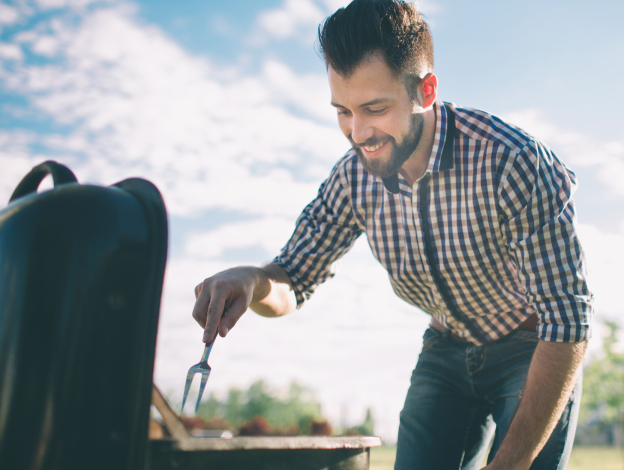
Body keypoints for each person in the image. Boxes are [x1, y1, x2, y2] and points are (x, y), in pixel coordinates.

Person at [191, 0, 593, 468]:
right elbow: (294, 278)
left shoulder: (512, 162)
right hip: (446, 349)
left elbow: (567, 321)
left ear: (425, 90)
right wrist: (252, 279)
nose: (358, 132)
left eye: (374, 108)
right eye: (343, 111)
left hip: (534, 349)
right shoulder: (353, 179)